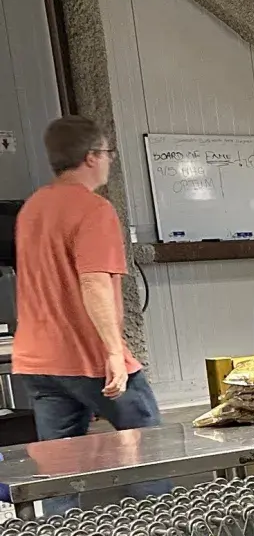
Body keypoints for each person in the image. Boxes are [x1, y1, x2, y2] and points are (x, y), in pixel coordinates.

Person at [13, 116, 164, 514]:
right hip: (88, 358)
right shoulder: (93, 209)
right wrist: (114, 353)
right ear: (92, 156)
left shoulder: (32, 208)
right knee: (149, 451)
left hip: (38, 362)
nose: (109, 162)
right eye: (108, 154)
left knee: (61, 473)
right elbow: (94, 282)